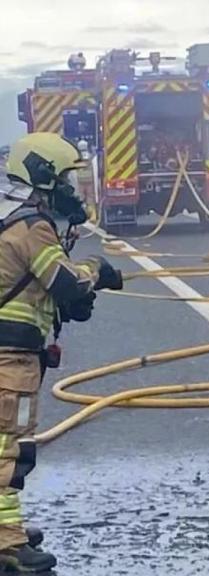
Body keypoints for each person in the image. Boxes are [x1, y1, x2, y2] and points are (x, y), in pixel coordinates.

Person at [0, 133, 122, 573]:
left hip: (16, 354)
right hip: (8, 358)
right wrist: (98, 272)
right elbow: (64, 280)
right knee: (8, 449)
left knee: (10, 444)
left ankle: (6, 531)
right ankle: (6, 546)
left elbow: (46, 288)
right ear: (45, 175)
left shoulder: (18, 219)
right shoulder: (33, 226)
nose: (73, 186)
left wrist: (69, 301)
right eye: (67, 176)